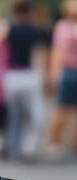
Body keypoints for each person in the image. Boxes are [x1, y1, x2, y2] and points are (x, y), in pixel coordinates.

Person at [0, 1, 51, 161]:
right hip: (27, 74)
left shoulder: (9, 27)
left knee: (13, 114)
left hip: (13, 74)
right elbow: (47, 43)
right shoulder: (33, 29)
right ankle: (25, 147)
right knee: (31, 115)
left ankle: (11, 144)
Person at [45, 0, 77, 160]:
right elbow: (58, 50)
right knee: (62, 108)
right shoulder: (62, 26)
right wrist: (54, 73)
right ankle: (55, 141)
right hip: (67, 70)